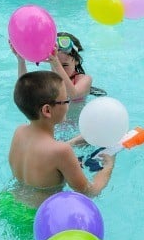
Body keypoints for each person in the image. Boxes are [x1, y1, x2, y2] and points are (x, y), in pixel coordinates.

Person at [8, 70, 115, 208]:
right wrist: (108, 166)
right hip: (37, 215)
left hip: (10, 203)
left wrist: (75, 141)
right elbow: (89, 192)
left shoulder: (19, 132)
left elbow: (44, 153)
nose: (68, 105)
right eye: (66, 100)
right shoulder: (60, 151)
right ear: (47, 110)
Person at [15, 32, 93, 101]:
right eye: (54, 63)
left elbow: (73, 95)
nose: (60, 70)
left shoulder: (84, 79)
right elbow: (24, 92)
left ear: (76, 61)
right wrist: (21, 60)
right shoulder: (49, 81)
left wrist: (56, 63)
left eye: (65, 65)